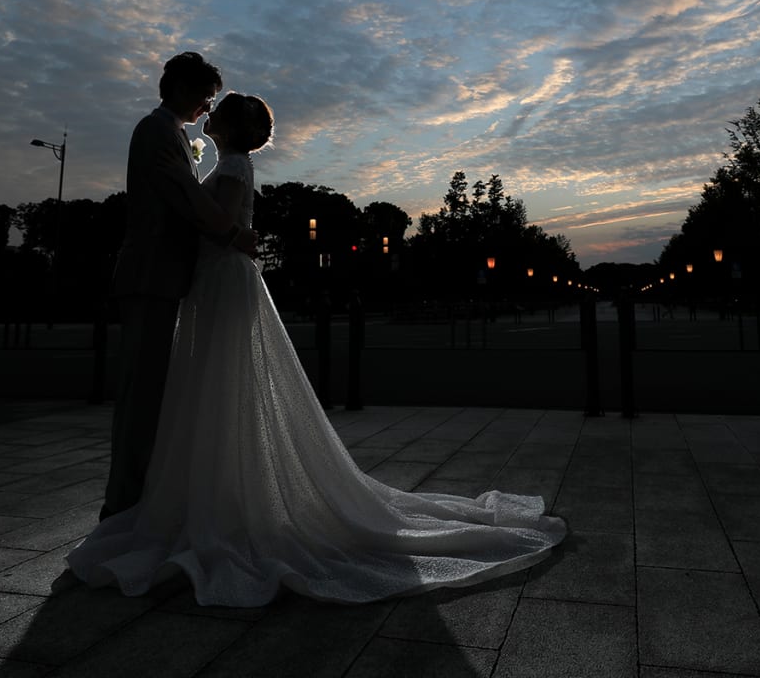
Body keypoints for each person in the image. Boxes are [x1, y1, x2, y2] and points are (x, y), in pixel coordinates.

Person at [69, 92, 566, 606]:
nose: (209, 113)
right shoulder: (233, 164)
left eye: (220, 110)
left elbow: (213, 226)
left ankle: (213, 494)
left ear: (233, 128)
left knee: (217, 383)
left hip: (218, 281)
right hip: (216, 281)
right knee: (216, 386)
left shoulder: (235, 167)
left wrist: (194, 216)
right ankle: (218, 488)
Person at [101, 53, 257, 521]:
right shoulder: (156, 131)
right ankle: (123, 503)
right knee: (140, 394)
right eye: (206, 96)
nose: (208, 107)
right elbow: (185, 197)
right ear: (185, 90)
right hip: (151, 274)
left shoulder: (173, 134)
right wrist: (233, 234)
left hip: (167, 277)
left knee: (151, 394)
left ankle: (133, 497)